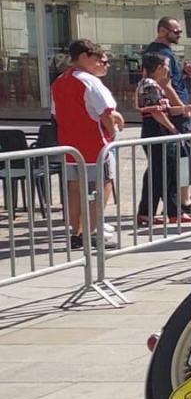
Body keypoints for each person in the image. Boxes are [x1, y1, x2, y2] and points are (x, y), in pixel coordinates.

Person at [52, 40, 122, 249]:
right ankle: (91, 232)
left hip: (69, 144)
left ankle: (76, 233)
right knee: (103, 185)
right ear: (83, 56)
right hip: (94, 143)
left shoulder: (59, 81)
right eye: (96, 58)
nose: (100, 62)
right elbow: (106, 112)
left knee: (75, 189)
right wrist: (112, 134)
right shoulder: (90, 81)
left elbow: (55, 113)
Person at [143, 17, 191, 217]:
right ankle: (179, 204)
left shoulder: (167, 52)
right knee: (178, 160)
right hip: (173, 115)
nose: (179, 34)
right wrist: (182, 108)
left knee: (182, 159)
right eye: (176, 31)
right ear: (162, 31)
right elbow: (164, 84)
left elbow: (171, 80)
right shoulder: (158, 52)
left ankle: (181, 203)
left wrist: (185, 72)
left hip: (177, 111)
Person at [135, 52, 189, 225]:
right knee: (159, 174)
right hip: (156, 132)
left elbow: (164, 109)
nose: (167, 69)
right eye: (165, 65)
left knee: (170, 172)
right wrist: (172, 128)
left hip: (161, 131)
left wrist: (184, 109)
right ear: (158, 67)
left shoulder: (157, 85)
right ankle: (146, 212)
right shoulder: (149, 85)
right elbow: (155, 112)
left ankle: (174, 211)